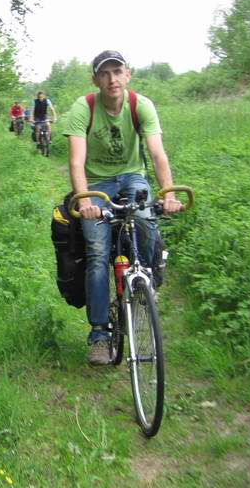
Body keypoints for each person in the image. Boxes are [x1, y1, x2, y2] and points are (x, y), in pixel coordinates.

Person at [62, 50, 183, 366]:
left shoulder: (140, 106)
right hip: (96, 183)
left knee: (145, 220)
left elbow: (157, 155)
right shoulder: (83, 108)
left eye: (117, 72)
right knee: (98, 254)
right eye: (104, 73)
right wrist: (85, 201)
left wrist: (167, 194)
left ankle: (147, 279)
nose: (112, 79)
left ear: (127, 75)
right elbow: (75, 161)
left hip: (132, 177)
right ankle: (100, 335)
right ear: (95, 80)